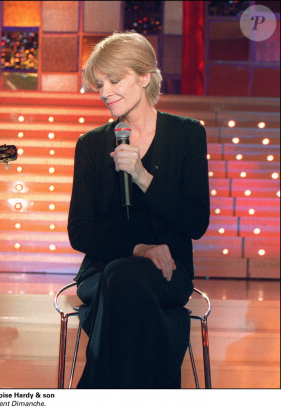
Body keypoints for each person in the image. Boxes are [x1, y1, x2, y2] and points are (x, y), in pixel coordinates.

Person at [68, 32, 210, 388]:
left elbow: (196, 222)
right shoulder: (91, 145)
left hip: (168, 272)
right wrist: (138, 249)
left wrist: (142, 176)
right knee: (123, 276)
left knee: (125, 287)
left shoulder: (187, 135)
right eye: (99, 84)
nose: (104, 92)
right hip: (102, 272)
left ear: (145, 77)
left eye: (114, 80)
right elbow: (80, 231)